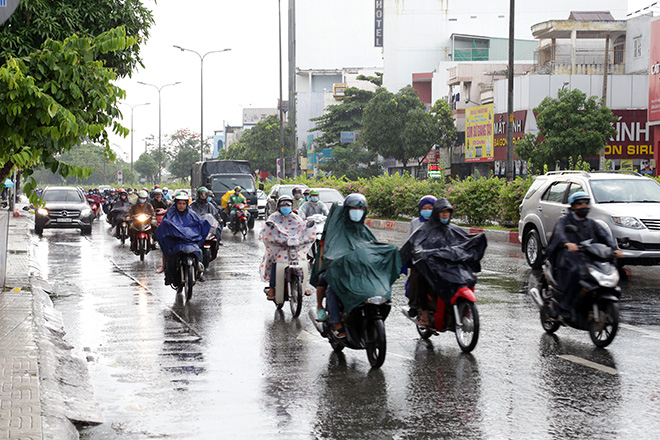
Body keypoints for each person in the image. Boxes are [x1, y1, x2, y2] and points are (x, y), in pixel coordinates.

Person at [311, 193, 401, 338]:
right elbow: (328, 249)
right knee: (331, 286)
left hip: (359, 270)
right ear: (347, 209)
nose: (357, 211)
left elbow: (372, 247)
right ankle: (333, 319)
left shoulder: (364, 231)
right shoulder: (337, 230)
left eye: (360, 208)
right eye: (353, 208)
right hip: (340, 270)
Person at [400, 198, 487, 327]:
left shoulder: (454, 229)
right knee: (422, 279)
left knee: (466, 276)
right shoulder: (424, 229)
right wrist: (422, 254)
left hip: (449, 266)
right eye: (442, 212)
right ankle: (424, 315)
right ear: (437, 213)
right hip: (431, 266)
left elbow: (465, 242)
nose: (445, 214)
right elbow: (413, 245)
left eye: (448, 212)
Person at [545, 192, 623, 319]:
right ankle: (564, 307)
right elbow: (560, 234)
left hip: (588, 256)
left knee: (605, 269)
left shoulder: (591, 223)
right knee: (576, 273)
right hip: (567, 256)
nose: (584, 206)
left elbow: (604, 236)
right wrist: (567, 243)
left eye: (586, 203)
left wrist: (614, 249)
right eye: (580, 204)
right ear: (573, 206)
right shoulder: (564, 221)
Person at [259, 195, 315, 301]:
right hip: (279, 248)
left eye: (288, 205)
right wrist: (274, 240)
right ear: (279, 206)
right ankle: (272, 288)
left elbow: (302, 228)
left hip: (294, 247)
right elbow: (267, 231)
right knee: (274, 264)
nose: (286, 207)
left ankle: (304, 285)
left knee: (303, 262)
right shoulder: (273, 217)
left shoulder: (296, 217)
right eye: (283, 204)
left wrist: (306, 235)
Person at [155, 191, 211, 283]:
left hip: (190, 241)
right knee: (167, 251)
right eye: (179, 203)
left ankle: (199, 270)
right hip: (175, 241)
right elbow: (164, 225)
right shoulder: (170, 214)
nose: (181, 206)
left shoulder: (192, 214)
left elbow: (197, 224)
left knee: (199, 251)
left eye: (183, 204)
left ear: (186, 204)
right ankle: (166, 271)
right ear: (176, 204)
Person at [402, 195, 437, 317]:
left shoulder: (439, 223)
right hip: (419, 260)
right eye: (424, 207)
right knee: (416, 278)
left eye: (430, 208)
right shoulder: (415, 223)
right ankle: (414, 305)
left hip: (436, 258)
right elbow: (409, 242)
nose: (427, 210)